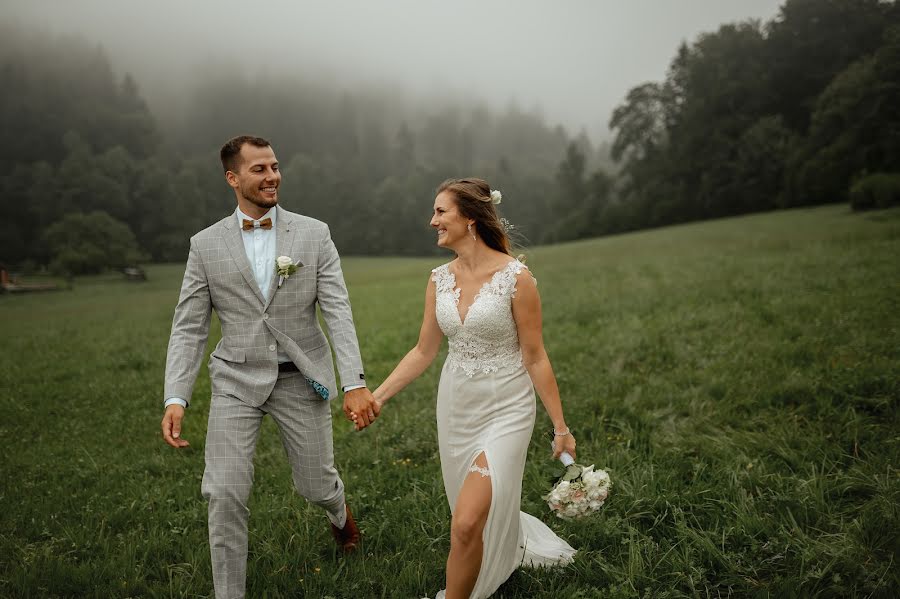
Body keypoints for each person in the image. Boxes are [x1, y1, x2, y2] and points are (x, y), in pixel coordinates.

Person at [160, 135, 380, 599]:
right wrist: (177, 396)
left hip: (300, 378)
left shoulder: (313, 233)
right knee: (223, 492)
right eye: (259, 169)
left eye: (275, 166)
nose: (272, 176)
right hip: (235, 380)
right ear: (232, 178)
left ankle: (337, 511)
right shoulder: (204, 245)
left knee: (315, 483)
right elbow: (189, 326)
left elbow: (338, 311)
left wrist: (354, 383)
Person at [371, 178, 577, 599]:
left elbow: (535, 356)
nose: (433, 222)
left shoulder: (516, 278)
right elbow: (423, 351)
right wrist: (377, 396)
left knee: (465, 523)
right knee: (467, 516)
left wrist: (560, 426)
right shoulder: (438, 279)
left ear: (470, 218)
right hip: (456, 406)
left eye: (441, 212)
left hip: (508, 407)